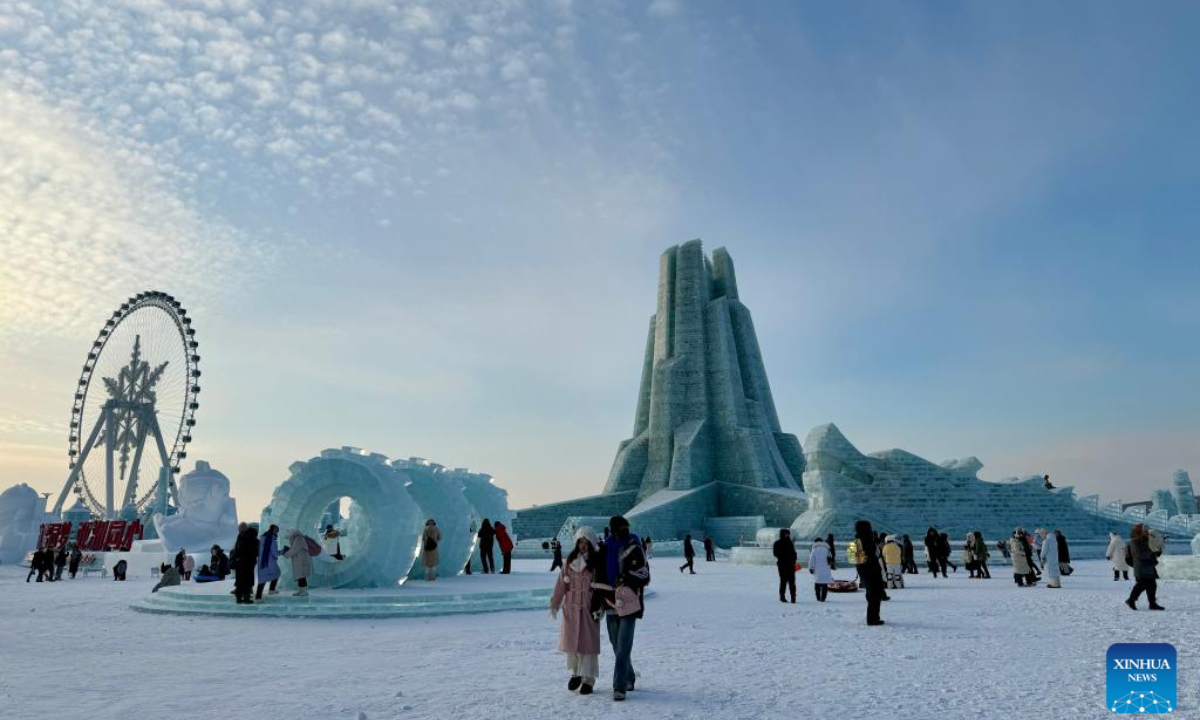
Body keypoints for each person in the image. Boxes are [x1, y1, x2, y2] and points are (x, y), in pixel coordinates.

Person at [599, 515, 649, 702]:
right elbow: (599, 573)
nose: (624, 529)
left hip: (628, 601)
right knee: (615, 643)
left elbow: (645, 574)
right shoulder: (605, 547)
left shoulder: (634, 545)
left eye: (626, 526)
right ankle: (629, 676)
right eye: (621, 527)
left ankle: (619, 686)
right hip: (611, 601)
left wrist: (627, 580)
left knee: (624, 644)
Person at [549, 526, 603, 696]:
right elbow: (561, 585)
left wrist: (600, 606)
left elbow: (601, 588)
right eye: (580, 542)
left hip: (588, 608)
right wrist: (555, 604)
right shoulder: (569, 561)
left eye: (586, 542)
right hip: (571, 607)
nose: (583, 545)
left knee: (587, 644)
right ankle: (576, 673)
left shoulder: (596, 563)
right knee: (573, 642)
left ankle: (588, 679)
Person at [848, 520, 885, 626]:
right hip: (871, 568)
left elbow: (851, 558)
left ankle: (873, 617)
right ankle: (873, 619)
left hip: (862, 569)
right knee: (875, 593)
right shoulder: (868, 539)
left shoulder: (855, 540)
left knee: (872, 593)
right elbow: (875, 554)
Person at [1125, 524, 1164, 611]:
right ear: (1140, 532)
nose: (1148, 533)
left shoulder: (1145, 541)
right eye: (1145, 531)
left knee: (1152, 585)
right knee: (1142, 584)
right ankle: (1131, 600)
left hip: (1148, 566)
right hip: (1141, 567)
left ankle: (1152, 603)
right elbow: (1140, 554)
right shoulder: (1135, 542)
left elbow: (1149, 552)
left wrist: (1157, 551)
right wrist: (1153, 553)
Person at [231, 523, 260, 603]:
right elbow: (237, 549)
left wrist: (236, 559)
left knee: (244, 580)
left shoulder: (248, 537)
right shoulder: (243, 537)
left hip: (245, 563)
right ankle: (242, 597)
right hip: (244, 563)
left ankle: (243, 597)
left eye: (241, 529)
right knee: (244, 580)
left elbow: (239, 549)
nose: (240, 531)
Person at [283, 528, 315, 597]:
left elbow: (294, 549)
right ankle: (300, 590)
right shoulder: (297, 538)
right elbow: (294, 548)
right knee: (300, 576)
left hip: (302, 560)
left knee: (302, 575)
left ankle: (305, 591)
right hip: (299, 559)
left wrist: (286, 554)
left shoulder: (299, 539)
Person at [256, 524, 282, 599]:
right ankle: (271, 590)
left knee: (263, 578)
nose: (277, 532)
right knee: (277, 573)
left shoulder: (262, 538)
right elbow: (275, 553)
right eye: (276, 530)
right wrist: (282, 551)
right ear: (273, 530)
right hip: (270, 562)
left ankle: (259, 596)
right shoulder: (272, 539)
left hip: (262, 562)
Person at [772, 529, 797, 603]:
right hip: (783, 565)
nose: (788, 536)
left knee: (791, 582)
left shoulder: (789, 543)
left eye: (788, 534)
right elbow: (776, 553)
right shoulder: (779, 543)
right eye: (786, 534)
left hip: (788, 565)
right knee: (784, 581)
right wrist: (787, 556)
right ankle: (783, 596)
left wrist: (794, 558)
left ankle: (793, 597)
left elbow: (793, 553)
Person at [808, 536, 833, 602]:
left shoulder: (814, 549)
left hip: (817, 569)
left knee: (817, 583)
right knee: (824, 584)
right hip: (825, 569)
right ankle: (823, 598)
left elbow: (811, 560)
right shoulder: (827, 549)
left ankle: (818, 597)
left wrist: (811, 567)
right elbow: (830, 558)